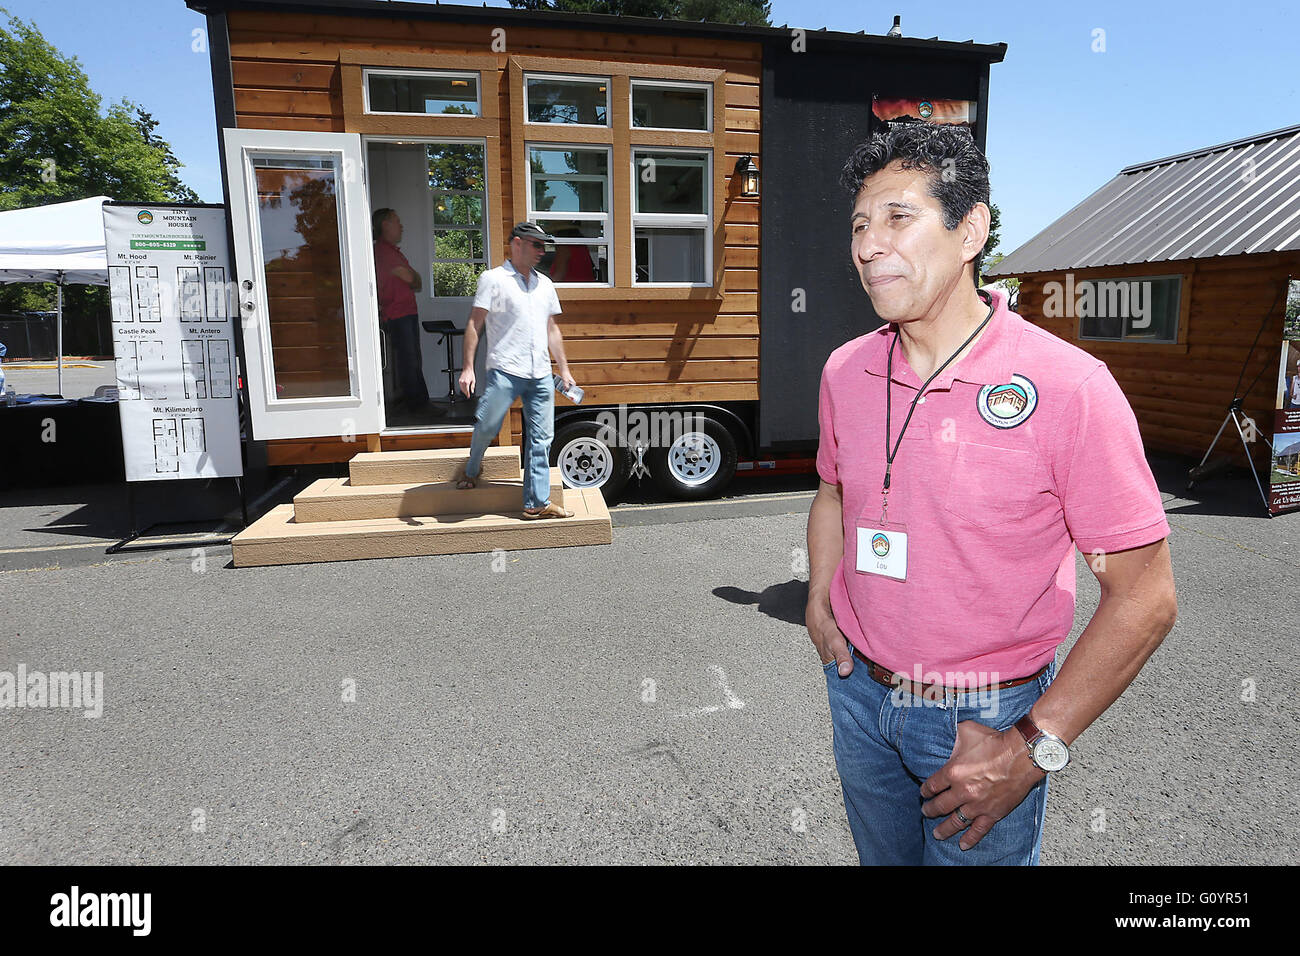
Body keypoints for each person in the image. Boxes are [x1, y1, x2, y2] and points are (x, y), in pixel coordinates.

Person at [807, 123, 1178, 866]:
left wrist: (1033, 745)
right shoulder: (844, 371)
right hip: (858, 696)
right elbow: (832, 493)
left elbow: (1146, 598)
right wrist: (821, 597)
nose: (868, 245)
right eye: (859, 224)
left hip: (987, 715)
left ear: (969, 228)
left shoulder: (1069, 387)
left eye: (897, 218)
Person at [455, 222, 578, 519]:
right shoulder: (493, 279)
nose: (542, 251)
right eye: (537, 245)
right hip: (505, 369)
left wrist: (564, 369)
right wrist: (468, 367)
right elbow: (475, 323)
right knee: (487, 425)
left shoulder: (545, 284)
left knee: (541, 437)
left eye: (544, 246)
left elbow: (551, 329)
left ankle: (536, 503)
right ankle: (473, 468)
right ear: (518, 244)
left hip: (540, 374)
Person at [372, 208, 429, 414]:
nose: (401, 226)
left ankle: (417, 405)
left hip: (404, 313)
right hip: (398, 315)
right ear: (385, 225)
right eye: (397, 221)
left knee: (411, 359)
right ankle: (418, 408)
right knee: (409, 361)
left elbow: (415, 280)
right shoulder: (385, 252)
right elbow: (411, 278)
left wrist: (414, 277)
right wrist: (414, 276)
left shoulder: (392, 252)